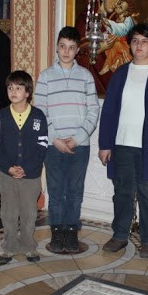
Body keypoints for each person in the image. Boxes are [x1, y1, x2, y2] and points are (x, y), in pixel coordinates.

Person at [98, 23, 148, 258]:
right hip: (122, 144)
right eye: (135, 41)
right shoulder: (121, 73)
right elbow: (109, 110)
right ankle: (120, 235)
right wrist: (105, 144)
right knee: (122, 192)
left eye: (145, 41)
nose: (139, 45)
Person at [34, 26, 100, 253]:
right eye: (62, 46)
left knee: (74, 191)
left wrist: (78, 138)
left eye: (71, 48)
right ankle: (57, 232)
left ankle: (71, 232)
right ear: (57, 47)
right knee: (55, 190)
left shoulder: (86, 76)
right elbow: (40, 111)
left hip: (79, 146)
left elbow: (93, 111)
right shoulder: (45, 76)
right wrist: (55, 138)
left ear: (77, 50)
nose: (66, 51)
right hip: (53, 146)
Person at [0, 70, 48, 264]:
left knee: (29, 213)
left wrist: (27, 168)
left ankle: (28, 245)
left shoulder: (38, 116)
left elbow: (42, 145)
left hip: (31, 176)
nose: (13, 92)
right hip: (7, 175)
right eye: (10, 88)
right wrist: (8, 167)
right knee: (8, 213)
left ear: (28, 92)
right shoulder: (1, 116)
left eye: (18, 88)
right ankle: (9, 246)